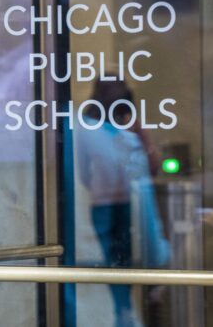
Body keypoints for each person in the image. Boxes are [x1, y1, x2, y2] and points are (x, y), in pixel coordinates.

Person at [75, 78, 169, 327]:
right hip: (119, 206)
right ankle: (124, 316)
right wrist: (141, 134)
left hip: (107, 205)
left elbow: (85, 174)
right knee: (121, 269)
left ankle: (124, 315)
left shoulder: (89, 129)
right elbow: (152, 169)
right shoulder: (112, 132)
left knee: (116, 270)